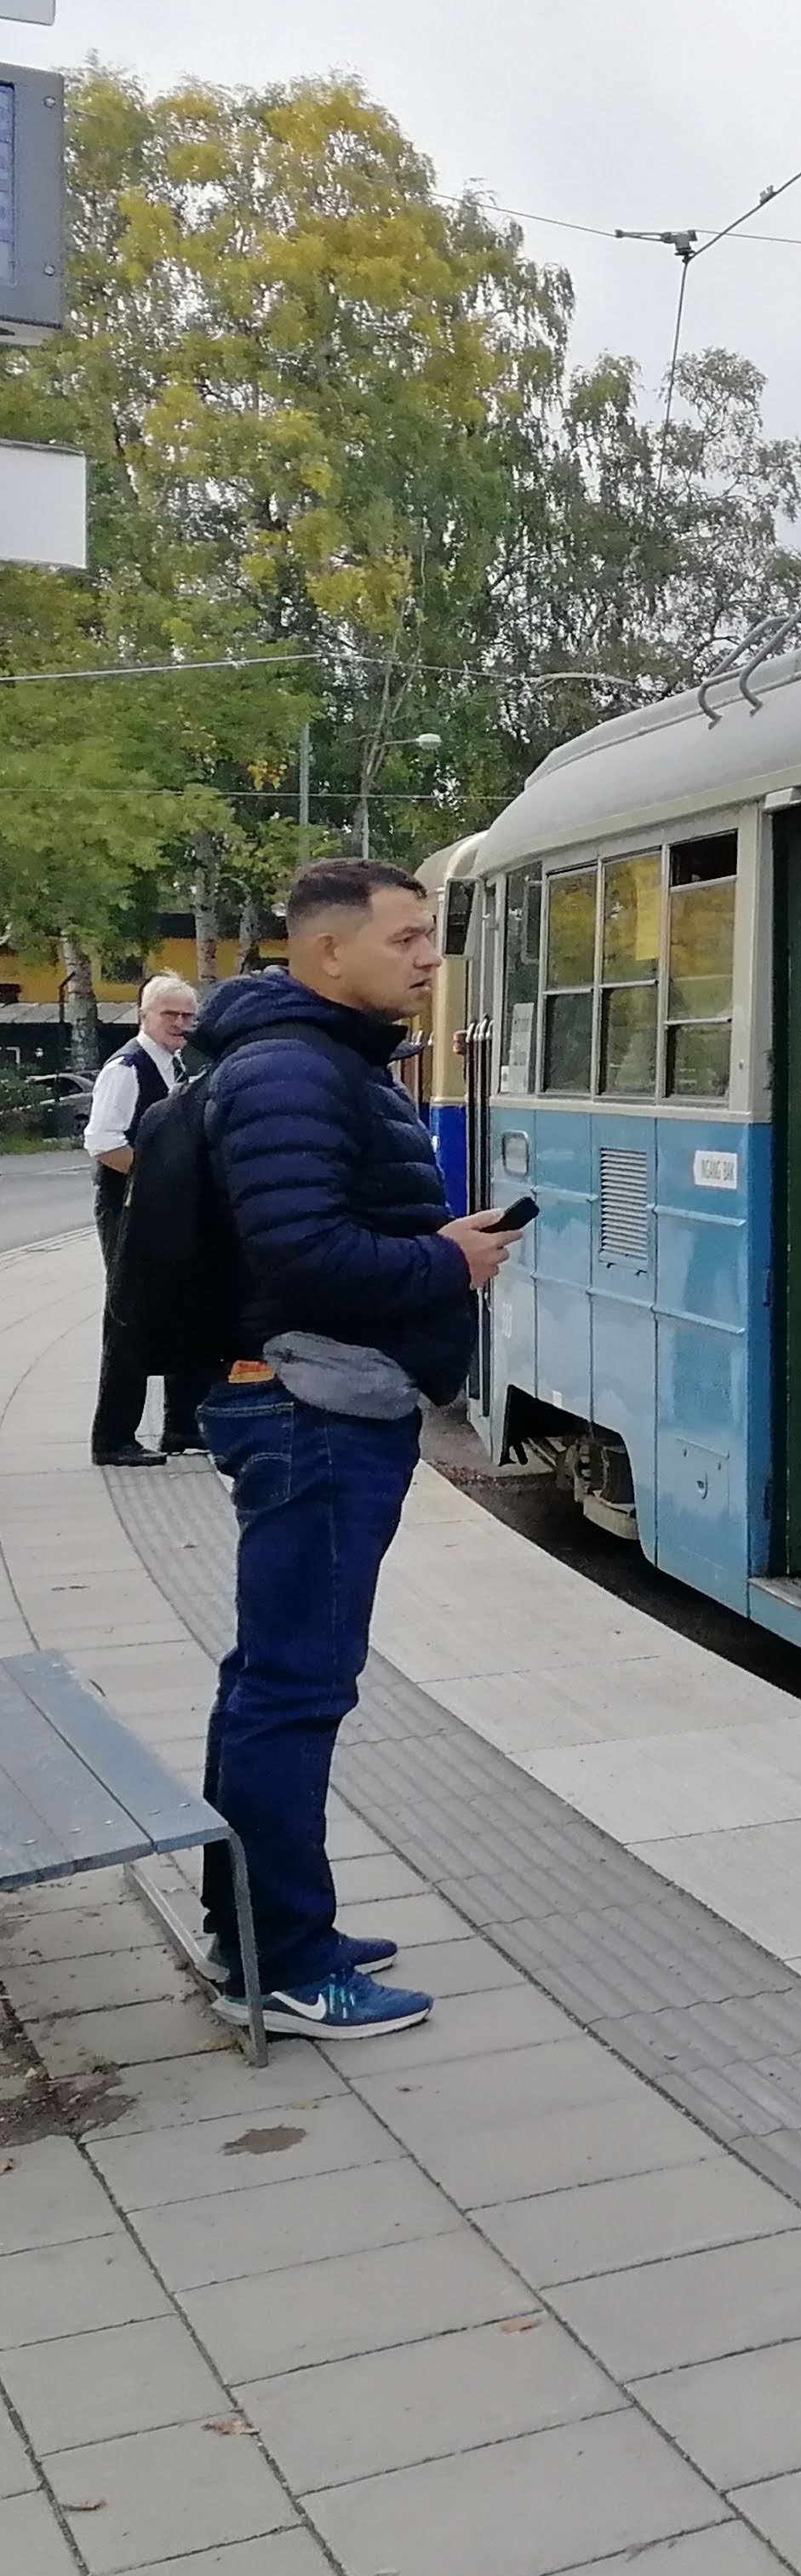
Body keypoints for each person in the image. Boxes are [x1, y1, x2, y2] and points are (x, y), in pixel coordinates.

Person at [190, 861, 524, 2042]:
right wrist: (449, 1263)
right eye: (410, 937)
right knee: (294, 1688)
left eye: (431, 937)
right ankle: (284, 1961)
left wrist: (431, 1247)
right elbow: (304, 1257)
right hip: (311, 1410)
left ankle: (259, 1926)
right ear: (329, 954)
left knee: (272, 1682)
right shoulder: (293, 1069)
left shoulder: (316, 1061)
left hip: (316, 1401)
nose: (430, 958)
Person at [85, 972, 204, 1466]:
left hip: (164, 1211)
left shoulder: (176, 1066)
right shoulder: (128, 1068)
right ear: (144, 1016)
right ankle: (113, 1439)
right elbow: (104, 1142)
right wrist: (158, 1179)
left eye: (187, 1016)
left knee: (183, 1311)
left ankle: (180, 1428)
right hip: (129, 1209)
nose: (179, 1023)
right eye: (169, 1014)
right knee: (130, 1319)